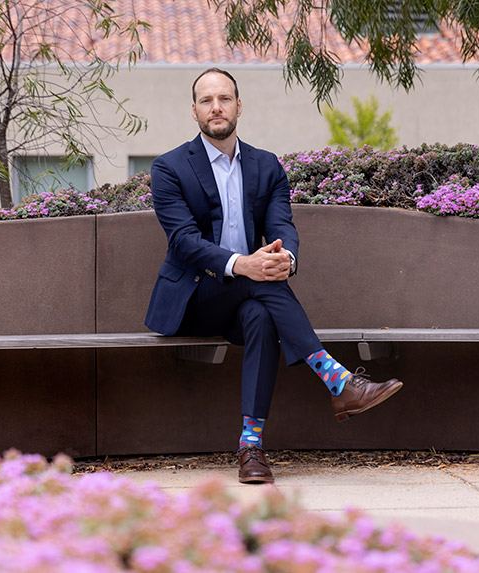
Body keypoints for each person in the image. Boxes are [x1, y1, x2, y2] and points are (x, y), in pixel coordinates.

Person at [145, 68, 403, 484]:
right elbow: (184, 242)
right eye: (207, 100)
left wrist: (287, 260)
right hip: (195, 299)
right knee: (257, 278)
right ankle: (337, 379)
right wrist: (242, 264)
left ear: (239, 106)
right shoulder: (169, 167)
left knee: (261, 315)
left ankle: (252, 448)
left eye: (225, 99)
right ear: (193, 111)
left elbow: (283, 228)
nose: (216, 107)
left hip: (247, 300)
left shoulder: (266, 166)